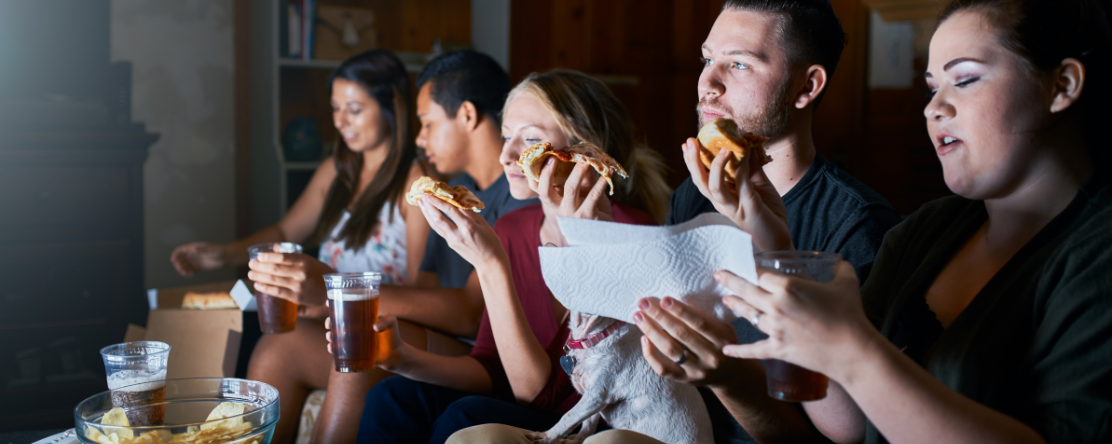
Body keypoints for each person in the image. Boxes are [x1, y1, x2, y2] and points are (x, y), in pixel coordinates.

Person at [641, 0, 1112, 443]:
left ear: (1062, 85)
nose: (933, 108)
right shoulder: (924, 232)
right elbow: (846, 428)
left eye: (964, 80)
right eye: (931, 88)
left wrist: (853, 349)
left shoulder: (1095, 255)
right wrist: (775, 248)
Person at [352, 69, 672, 444]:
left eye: (531, 139)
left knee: (466, 416)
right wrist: (401, 358)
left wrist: (490, 266)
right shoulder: (512, 227)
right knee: (390, 396)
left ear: (585, 150)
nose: (507, 156)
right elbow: (490, 365)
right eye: (506, 137)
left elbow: (536, 393)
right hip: (530, 403)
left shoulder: (634, 237)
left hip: (594, 421)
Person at [242, 50, 533, 444]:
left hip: (479, 355)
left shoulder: (520, 200)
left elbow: (470, 315)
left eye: (427, 123)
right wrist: (326, 302)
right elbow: (425, 288)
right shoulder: (449, 190)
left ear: (466, 115)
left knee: (359, 337)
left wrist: (338, 288)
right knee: (280, 345)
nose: (418, 137)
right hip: (440, 337)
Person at [168, 49, 431, 444]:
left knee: (301, 347)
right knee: (275, 345)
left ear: (391, 105)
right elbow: (284, 228)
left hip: (382, 331)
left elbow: (419, 292)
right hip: (328, 326)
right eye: (335, 108)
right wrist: (222, 254)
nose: (340, 121)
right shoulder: (337, 170)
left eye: (354, 109)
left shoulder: (416, 184)